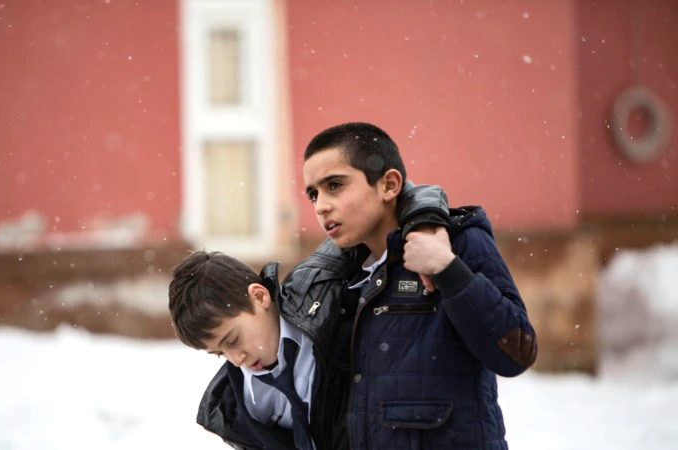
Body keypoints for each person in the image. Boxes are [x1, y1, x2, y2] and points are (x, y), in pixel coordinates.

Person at [302, 122, 538, 449]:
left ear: (389, 185)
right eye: (313, 193)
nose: (320, 206)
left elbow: (517, 352)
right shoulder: (340, 279)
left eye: (335, 185)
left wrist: (448, 269)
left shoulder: (459, 242)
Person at [169, 182, 450, 450]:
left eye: (233, 339)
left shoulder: (318, 284)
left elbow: (394, 196)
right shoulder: (239, 405)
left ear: (259, 296)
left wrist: (423, 226)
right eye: (219, 353)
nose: (236, 359)